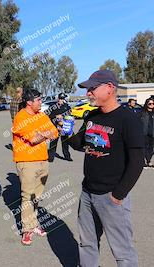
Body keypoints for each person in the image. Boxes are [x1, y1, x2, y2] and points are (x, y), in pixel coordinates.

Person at [68, 70, 144, 267]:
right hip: (87, 193)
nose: (88, 94)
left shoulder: (128, 118)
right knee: (87, 244)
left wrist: (119, 194)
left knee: (122, 251)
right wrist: (66, 134)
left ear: (110, 88)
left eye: (92, 88)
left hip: (111, 196)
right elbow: (80, 143)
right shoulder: (92, 116)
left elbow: (137, 160)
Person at [12, 89, 58, 245]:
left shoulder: (42, 115)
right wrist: (44, 133)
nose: (41, 102)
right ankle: (27, 230)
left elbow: (55, 132)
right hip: (27, 162)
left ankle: (33, 224)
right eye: (38, 100)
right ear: (29, 102)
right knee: (27, 196)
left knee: (36, 197)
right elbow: (34, 139)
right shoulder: (21, 118)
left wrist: (42, 133)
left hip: (43, 160)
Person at [48, 92, 73, 162]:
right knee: (53, 144)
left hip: (64, 128)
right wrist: (56, 116)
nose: (61, 100)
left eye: (62, 99)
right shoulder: (53, 107)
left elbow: (70, 116)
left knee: (65, 143)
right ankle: (50, 158)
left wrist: (65, 118)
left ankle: (67, 156)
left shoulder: (67, 106)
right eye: (60, 99)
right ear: (58, 99)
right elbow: (49, 116)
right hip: (55, 128)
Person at [141, 97, 154, 169]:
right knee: (145, 147)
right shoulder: (142, 113)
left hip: (152, 133)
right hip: (144, 133)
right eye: (150, 104)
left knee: (151, 148)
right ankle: (147, 161)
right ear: (147, 104)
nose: (152, 105)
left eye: (153, 103)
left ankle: (148, 160)